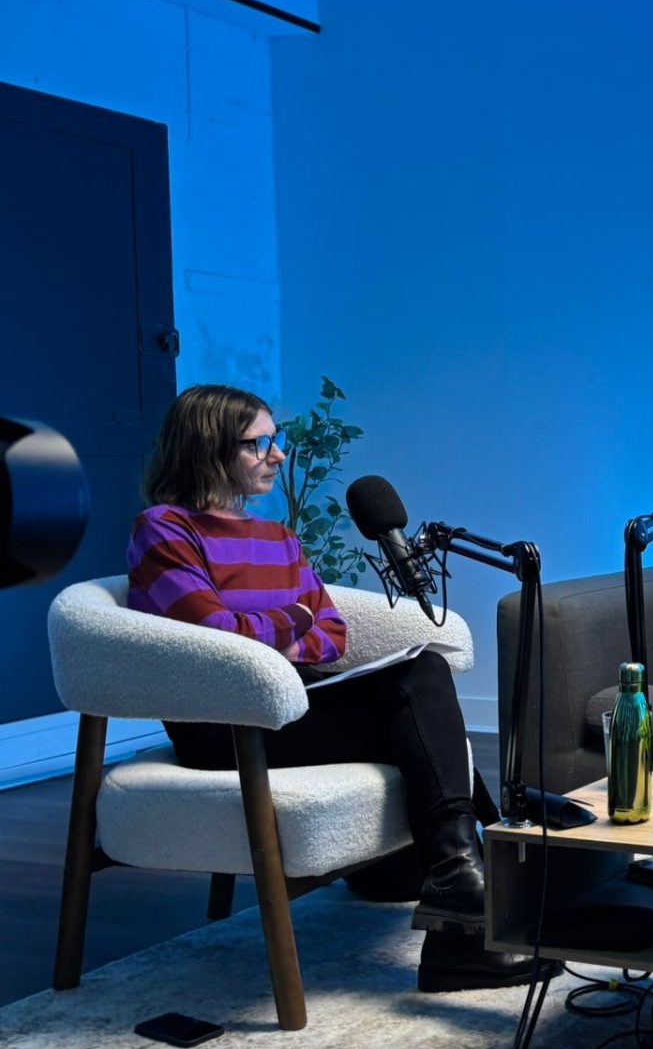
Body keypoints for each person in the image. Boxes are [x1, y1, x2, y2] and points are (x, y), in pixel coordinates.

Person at [127, 384, 543, 994]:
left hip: (298, 706)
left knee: (421, 672)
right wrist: (292, 622)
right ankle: (474, 876)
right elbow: (214, 635)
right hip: (225, 726)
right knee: (418, 692)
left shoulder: (279, 539)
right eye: (257, 444)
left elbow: (333, 633)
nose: (276, 456)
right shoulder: (163, 530)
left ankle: (447, 878)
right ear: (207, 450)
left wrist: (288, 633)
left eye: (277, 441)